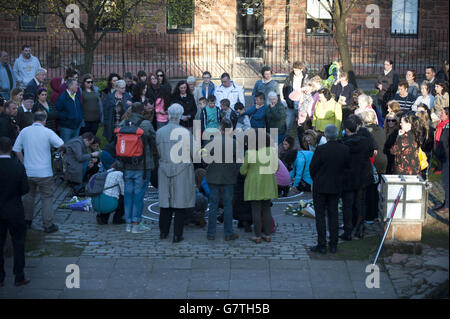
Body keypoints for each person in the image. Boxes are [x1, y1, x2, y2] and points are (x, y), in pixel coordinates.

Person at [13, 111, 64, 233]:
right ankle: (48, 224)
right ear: (44, 120)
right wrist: (56, 152)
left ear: (33, 119)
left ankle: (27, 220)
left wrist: (23, 161)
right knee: (46, 198)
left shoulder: (25, 131)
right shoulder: (47, 132)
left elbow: (16, 149)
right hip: (44, 172)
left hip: (28, 171)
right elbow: (62, 144)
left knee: (29, 196)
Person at [157, 103, 196, 243]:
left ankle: (163, 232)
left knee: (165, 203)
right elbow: (194, 153)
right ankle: (177, 234)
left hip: (164, 168)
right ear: (180, 115)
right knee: (180, 203)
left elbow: (157, 152)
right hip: (182, 169)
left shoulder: (159, 132)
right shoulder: (185, 133)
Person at [309, 125, 350, 254]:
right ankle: (333, 244)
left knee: (320, 216)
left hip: (321, 185)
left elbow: (313, 168)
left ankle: (322, 244)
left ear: (326, 135)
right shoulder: (344, 149)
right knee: (333, 215)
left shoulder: (321, 150)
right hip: (335, 185)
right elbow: (347, 168)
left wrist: (317, 178)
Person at [119, 102, 156, 234]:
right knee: (139, 195)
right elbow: (154, 140)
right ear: (142, 111)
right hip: (143, 166)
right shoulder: (145, 124)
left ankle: (128, 224)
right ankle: (136, 223)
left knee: (128, 194)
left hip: (127, 165)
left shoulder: (123, 124)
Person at [0, 137, 30, 287]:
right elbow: (25, 189)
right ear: (11, 148)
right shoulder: (17, 167)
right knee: (18, 243)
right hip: (14, 209)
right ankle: (19, 275)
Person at [339, 116, 374, 241]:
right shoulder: (366, 141)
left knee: (347, 205)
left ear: (347, 130)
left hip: (349, 177)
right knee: (360, 204)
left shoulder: (343, 144)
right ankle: (359, 229)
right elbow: (371, 153)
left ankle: (348, 231)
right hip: (362, 175)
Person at [240, 131, 278, 243]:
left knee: (255, 210)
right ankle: (267, 234)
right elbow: (277, 167)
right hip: (268, 183)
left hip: (254, 184)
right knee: (266, 209)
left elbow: (242, 171)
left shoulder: (250, 153)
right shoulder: (271, 151)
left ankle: (257, 236)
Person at [206, 119, 239, 241]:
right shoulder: (234, 142)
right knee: (228, 205)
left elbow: (204, 157)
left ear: (220, 129)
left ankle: (211, 233)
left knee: (213, 205)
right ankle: (228, 232)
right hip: (229, 176)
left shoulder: (212, 141)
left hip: (213, 175)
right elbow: (239, 159)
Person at [360, 110, 387, 223]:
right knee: (376, 190)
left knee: (369, 191)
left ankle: (369, 215)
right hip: (382, 162)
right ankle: (375, 213)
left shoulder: (364, 132)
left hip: (371, 164)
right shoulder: (380, 130)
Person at [92, 161, 125, 225]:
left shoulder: (107, 172)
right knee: (124, 198)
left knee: (108, 195)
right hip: (110, 202)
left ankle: (103, 218)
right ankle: (117, 218)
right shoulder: (119, 174)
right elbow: (124, 192)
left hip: (99, 200)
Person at [283, 61, 308, 135]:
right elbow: (285, 89)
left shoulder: (306, 78)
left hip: (302, 106)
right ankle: (288, 143)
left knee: (302, 126)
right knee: (288, 125)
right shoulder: (289, 78)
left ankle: (301, 143)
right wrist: (287, 100)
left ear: (301, 69)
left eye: (297, 70)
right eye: (294, 69)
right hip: (291, 105)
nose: (295, 71)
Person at [55, 79, 84, 143]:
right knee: (66, 147)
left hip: (77, 127)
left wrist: (80, 118)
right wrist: (68, 118)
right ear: (70, 86)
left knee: (74, 146)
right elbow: (57, 112)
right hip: (66, 128)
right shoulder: (62, 98)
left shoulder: (77, 96)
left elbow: (80, 108)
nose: (77, 86)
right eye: (76, 85)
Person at [434, 107, 449, 215]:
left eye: (442, 113)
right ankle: (446, 203)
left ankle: (447, 205)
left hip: (447, 156)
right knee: (445, 182)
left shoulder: (447, 126)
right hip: (444, 156)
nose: (440, 114)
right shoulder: (443, 125)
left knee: (446, 182)